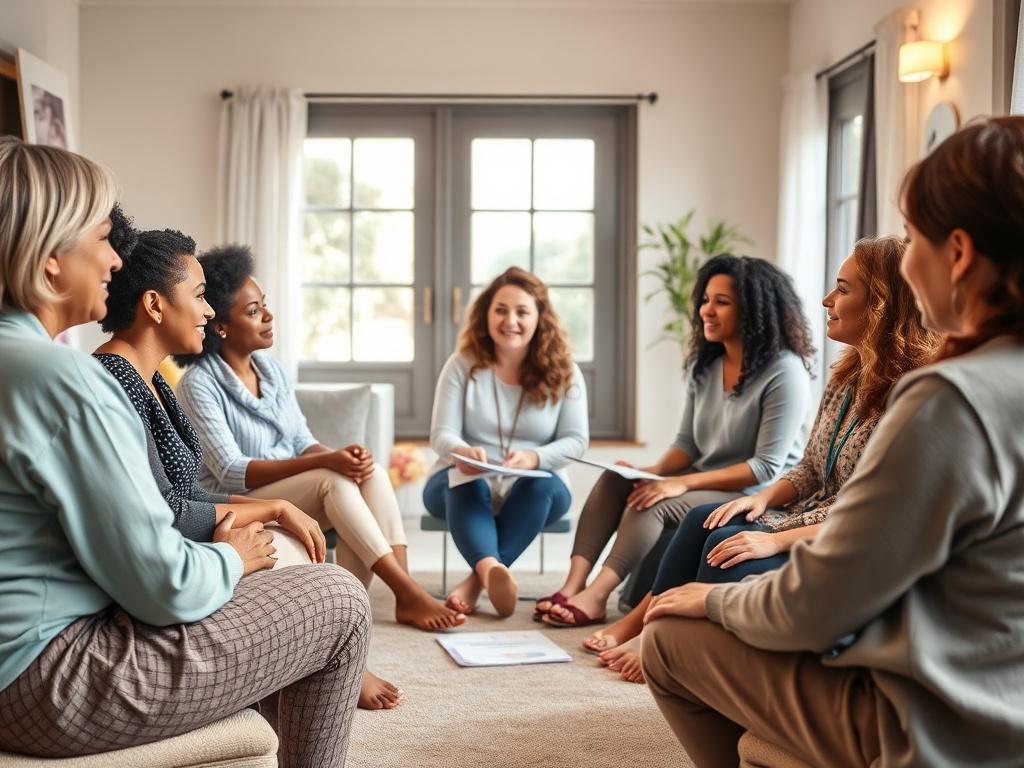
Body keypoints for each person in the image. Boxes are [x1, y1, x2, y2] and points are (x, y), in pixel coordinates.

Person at [642, 116, 1024, 768]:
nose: (906, 261)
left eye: (910, 239)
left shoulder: (948, 402)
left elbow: (814, 608)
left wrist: (714, 600)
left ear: (958, 254)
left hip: (943, 730)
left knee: (669, 639)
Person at [0, 136, 369, 767]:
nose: (116, 260)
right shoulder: (64, 378)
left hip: (24, 665)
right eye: (101, 239)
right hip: (50, 682)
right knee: (338, 599)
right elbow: (161, 585)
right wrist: (230, 558)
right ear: (52, 257)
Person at [588, 236, 939, 683]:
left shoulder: (914, 392)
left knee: (728, 549)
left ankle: (666, 644)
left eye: (844, 289)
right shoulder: (846, 378)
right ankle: (652, 628)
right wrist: (764, 501)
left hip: (837, 538)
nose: (828, 300)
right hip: (802, 512)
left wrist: (774, 538)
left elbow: (877, 516)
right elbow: (810, 468)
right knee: (704, 520)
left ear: (883, 304)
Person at [94, 216, 403, 711]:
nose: (209, 310)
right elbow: (167, 509)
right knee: (299, 559)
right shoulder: (115, 380)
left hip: (189, 535)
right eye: (198, 296)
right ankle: (328, 660)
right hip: (164, 567)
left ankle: (327, 660)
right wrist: (270, 509)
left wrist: (275, 506)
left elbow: (188, 491)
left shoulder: (151, 380)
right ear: (154, 304)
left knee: (303, 546)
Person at [175, 244, 462, 632]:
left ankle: (367, 602)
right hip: (239, 500)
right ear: (221, 325)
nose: (268, 316)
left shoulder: (271, 371)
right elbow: (230, 471)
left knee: (370, 472)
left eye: (265, 304)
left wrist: (341, 455)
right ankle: (405, 590)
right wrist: (327, 462)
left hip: (292, 487)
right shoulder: (200, 384)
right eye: (253, 311)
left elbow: (300, 439)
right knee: (332, 479)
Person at [539, 254, 813, 628]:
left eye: (722, 302)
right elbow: (686, 444)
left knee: (653, 503)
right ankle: (572, 586)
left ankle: (598, 595)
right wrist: (648, 471)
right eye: (705, 300)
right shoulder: (708, 365)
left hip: (754, 491)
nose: (707, 311)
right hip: (704, 477)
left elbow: (764, 466)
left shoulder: (785, 371)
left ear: (753, 311)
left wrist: (678, 482)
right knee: (621, 480)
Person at [423, 267, 588, 617]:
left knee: (540, 487)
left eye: (522, 311)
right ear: (486, 314)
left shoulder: (565, 370)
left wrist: (535, 458)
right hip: (463, 481)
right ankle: (489, 571)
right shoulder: (461, 365)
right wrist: (463, 452)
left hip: (534, 485)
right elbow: (441, 435)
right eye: (500, 310)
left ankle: (479, 578)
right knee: (467, 483)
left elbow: (576, 441)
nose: (510, 320)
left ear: (540, 317)